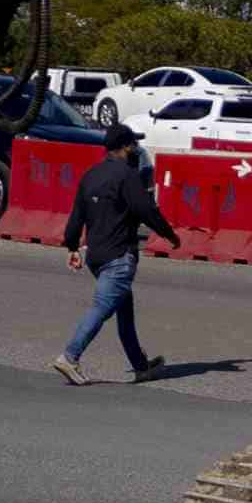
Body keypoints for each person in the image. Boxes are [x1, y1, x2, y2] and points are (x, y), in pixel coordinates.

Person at [55, 122, 176, 385]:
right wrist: (170, 235)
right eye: (134, 144)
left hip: (96, 257)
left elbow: (77, 215)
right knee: (102, 307)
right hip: (119, 256)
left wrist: (72, 247)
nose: (137, 149)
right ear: (124, 147)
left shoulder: (91, 175)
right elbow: (146, 209)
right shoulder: (126, 175)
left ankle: (140, 366)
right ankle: (70, 357)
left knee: (125, 311)